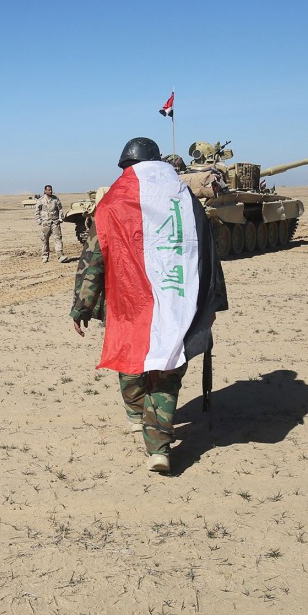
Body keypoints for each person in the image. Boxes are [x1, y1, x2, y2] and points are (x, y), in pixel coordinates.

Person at [71, 137, 227, 474]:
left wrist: (82, 305)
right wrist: (213, 300)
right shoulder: (186, 199)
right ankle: (158, 446)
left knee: (132, 360)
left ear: (126, 167)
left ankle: (137, 416)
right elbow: (207, 253)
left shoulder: (112, 201)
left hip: (129, 304)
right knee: (167, 370)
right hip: (178, 301)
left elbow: (94, 257)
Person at [34, 184, 65, 263]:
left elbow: (60, 209)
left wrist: (60, 218)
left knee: (58, 239)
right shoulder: (41, 200)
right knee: (44, 240)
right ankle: (45, 256)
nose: (50, 191)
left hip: (55, 222)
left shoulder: (55, 199)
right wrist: (39, 220)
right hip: (45, 222)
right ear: (45, 191)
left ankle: (60, 256)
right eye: (48, 190)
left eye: (51, 190)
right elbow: (37, 211)